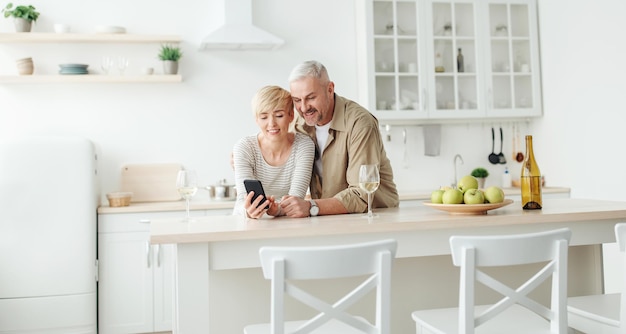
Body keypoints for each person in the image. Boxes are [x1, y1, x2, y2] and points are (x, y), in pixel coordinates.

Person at [279, 60, 399, 218]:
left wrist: (310, 206)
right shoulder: (299, 125)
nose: (303, 107)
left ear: (330, 89)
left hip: (374, 216)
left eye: (311, 97)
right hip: (329, 216)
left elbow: (361, 195)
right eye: (297, 100)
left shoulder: (360, 124)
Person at [232, 85, 315, 219]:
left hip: (287, 222)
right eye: (264, 117)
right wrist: (248, 211)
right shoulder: (244, 147)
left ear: (291, 115)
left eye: (279, 115)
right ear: (256, 119)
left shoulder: (303, 146)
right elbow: (243, 199)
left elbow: (295, 200)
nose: (272, 124)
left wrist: (276, 210)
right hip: (248, 221)